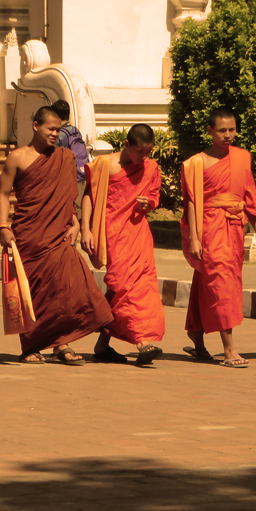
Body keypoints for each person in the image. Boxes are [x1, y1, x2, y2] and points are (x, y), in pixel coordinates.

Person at [0, 105, 114, 364]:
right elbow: (4, 194)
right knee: (35, 293)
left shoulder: (65, 157)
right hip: (28, 235)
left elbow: (66, 196)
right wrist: (3, 226)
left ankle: (61, 343)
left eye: (58, 129)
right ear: (36, 126)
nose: (54, 134)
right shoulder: (17, 157)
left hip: (58, 236)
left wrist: (75, 223)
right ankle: (31, 345)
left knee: (67, 289)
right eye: (50, 129)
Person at [180, 108, 256, 368]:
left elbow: (249, 193)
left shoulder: (242, 157)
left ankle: (196, 334)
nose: (228, 135)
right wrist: (194, 238)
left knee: (209, 280)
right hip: (209, 228)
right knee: (221, 283)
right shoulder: (196, 163)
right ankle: (229, 350)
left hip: (235, 228)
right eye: (222, 130)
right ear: (209, 131)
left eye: (232, 130)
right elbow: (192, 203)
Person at [81, 123, 165, 366]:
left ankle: (141, 341)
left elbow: (155, 195)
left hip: (138, 233)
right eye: (139, 152)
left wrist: (148, 203)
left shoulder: (150, 167)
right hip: (112, 233)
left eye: (147, 153)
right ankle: (117, 342)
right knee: (120, 286)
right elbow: (89, 195)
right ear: (127, 145)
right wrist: (86, 229)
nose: (143, 158)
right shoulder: (105, 165)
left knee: (140, 287)